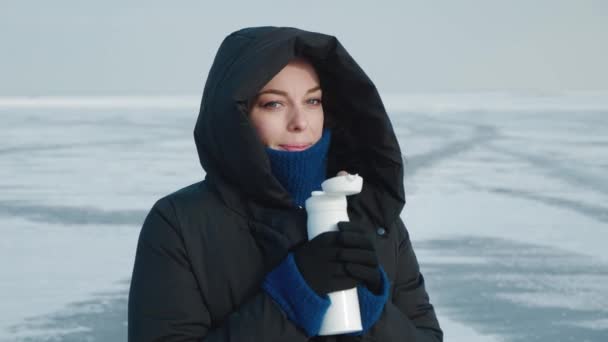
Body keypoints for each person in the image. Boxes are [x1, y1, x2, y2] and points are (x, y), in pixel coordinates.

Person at [128, 26, 443, 341]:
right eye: (273, 104)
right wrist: (293, 295)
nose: (300, 122)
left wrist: (371, 307)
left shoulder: (375, 217)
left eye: (313, 101)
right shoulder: (181, 223)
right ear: (236, 115)